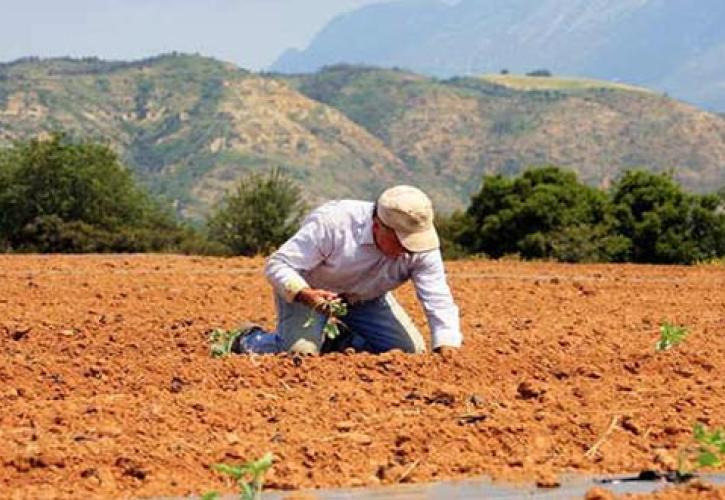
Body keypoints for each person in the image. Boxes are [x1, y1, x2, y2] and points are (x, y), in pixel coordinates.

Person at [231, 185, 462, 355]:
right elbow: (278, 264)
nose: (408, 250)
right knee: (300, 353)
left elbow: (438, 297)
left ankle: (338, 341)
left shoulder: (421, 245)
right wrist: (305, 294)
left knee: (409, 352)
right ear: (378, 226)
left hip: (366, 299)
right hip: (309, 294)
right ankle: (249, 339)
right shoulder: (334, 224)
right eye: (402, 241)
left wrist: (447, 345)